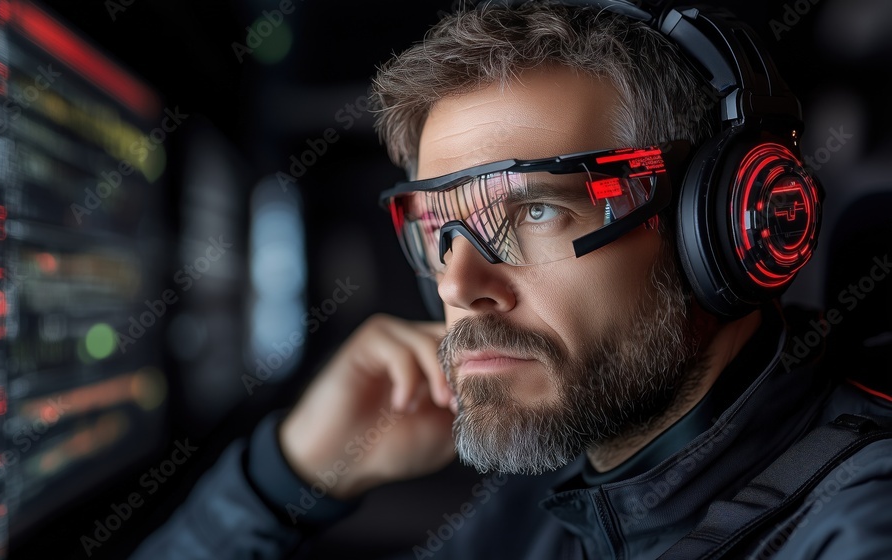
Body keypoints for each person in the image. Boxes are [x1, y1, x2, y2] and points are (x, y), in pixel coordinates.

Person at [132, 2, 892, 558]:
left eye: (533, 211)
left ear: (722, 225)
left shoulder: (855, 528)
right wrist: (286, 475)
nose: (461, 283)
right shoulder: (557, 501)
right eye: (438, 230)